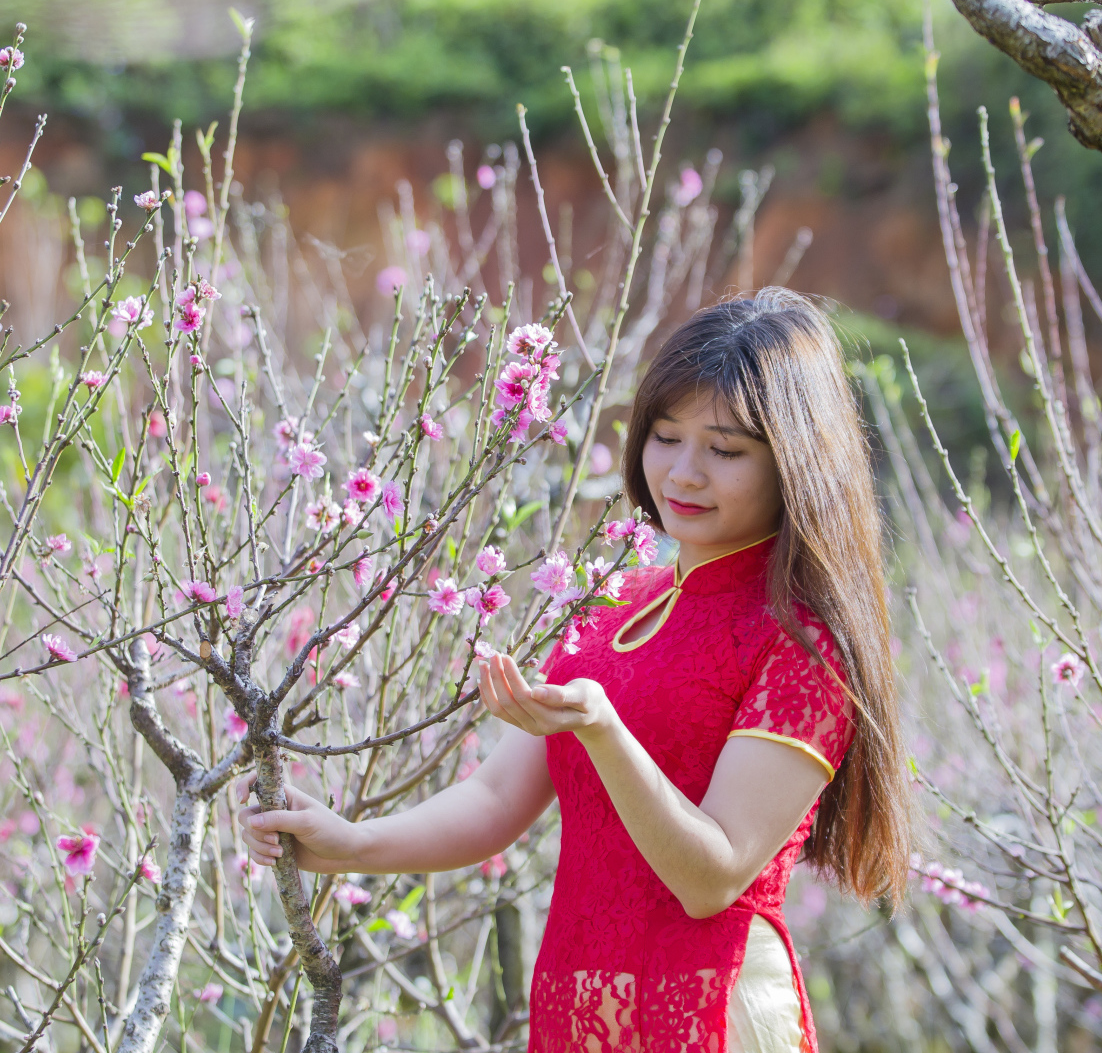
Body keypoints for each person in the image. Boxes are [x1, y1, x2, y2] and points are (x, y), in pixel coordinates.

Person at [241, 288, 913, 1052]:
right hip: (576, 1012)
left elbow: (712, 877)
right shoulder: (614, 604)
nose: (684, 474)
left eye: (725, 450)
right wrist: (348, 842)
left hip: (714, 1013)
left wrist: (602, 728)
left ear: (796, 460)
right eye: (665, 436)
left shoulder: (801, 643)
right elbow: (496, 799)